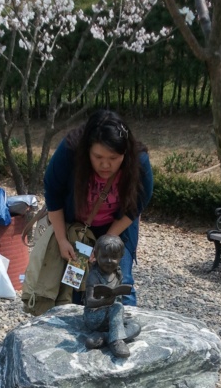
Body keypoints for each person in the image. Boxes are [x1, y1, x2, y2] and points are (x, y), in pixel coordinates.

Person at [43, 109, 153, 306]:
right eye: (98, 157)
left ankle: (124, 323)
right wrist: (62, 240)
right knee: (75, 288)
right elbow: (53, 193)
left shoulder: (139, 160)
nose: (105, 165)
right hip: (79, 232)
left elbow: (138, 203)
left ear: (125, 152)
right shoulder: (70, 151)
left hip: (117, 229)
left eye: (113, 158)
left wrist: (106, 241)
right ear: (87, 150)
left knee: (121, 283)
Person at [84, 235, 141, 358]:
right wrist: (105, 301)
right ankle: (116, 341)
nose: (109, 261)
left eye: (114, 257)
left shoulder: (117, 273)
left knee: (136, 327)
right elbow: (89, 302)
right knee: (117, 307)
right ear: (96, 254)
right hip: (94, 317)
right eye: (104, 256)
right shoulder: (94, 276)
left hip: (110, 317)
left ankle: (105, 336)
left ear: (121, 257)